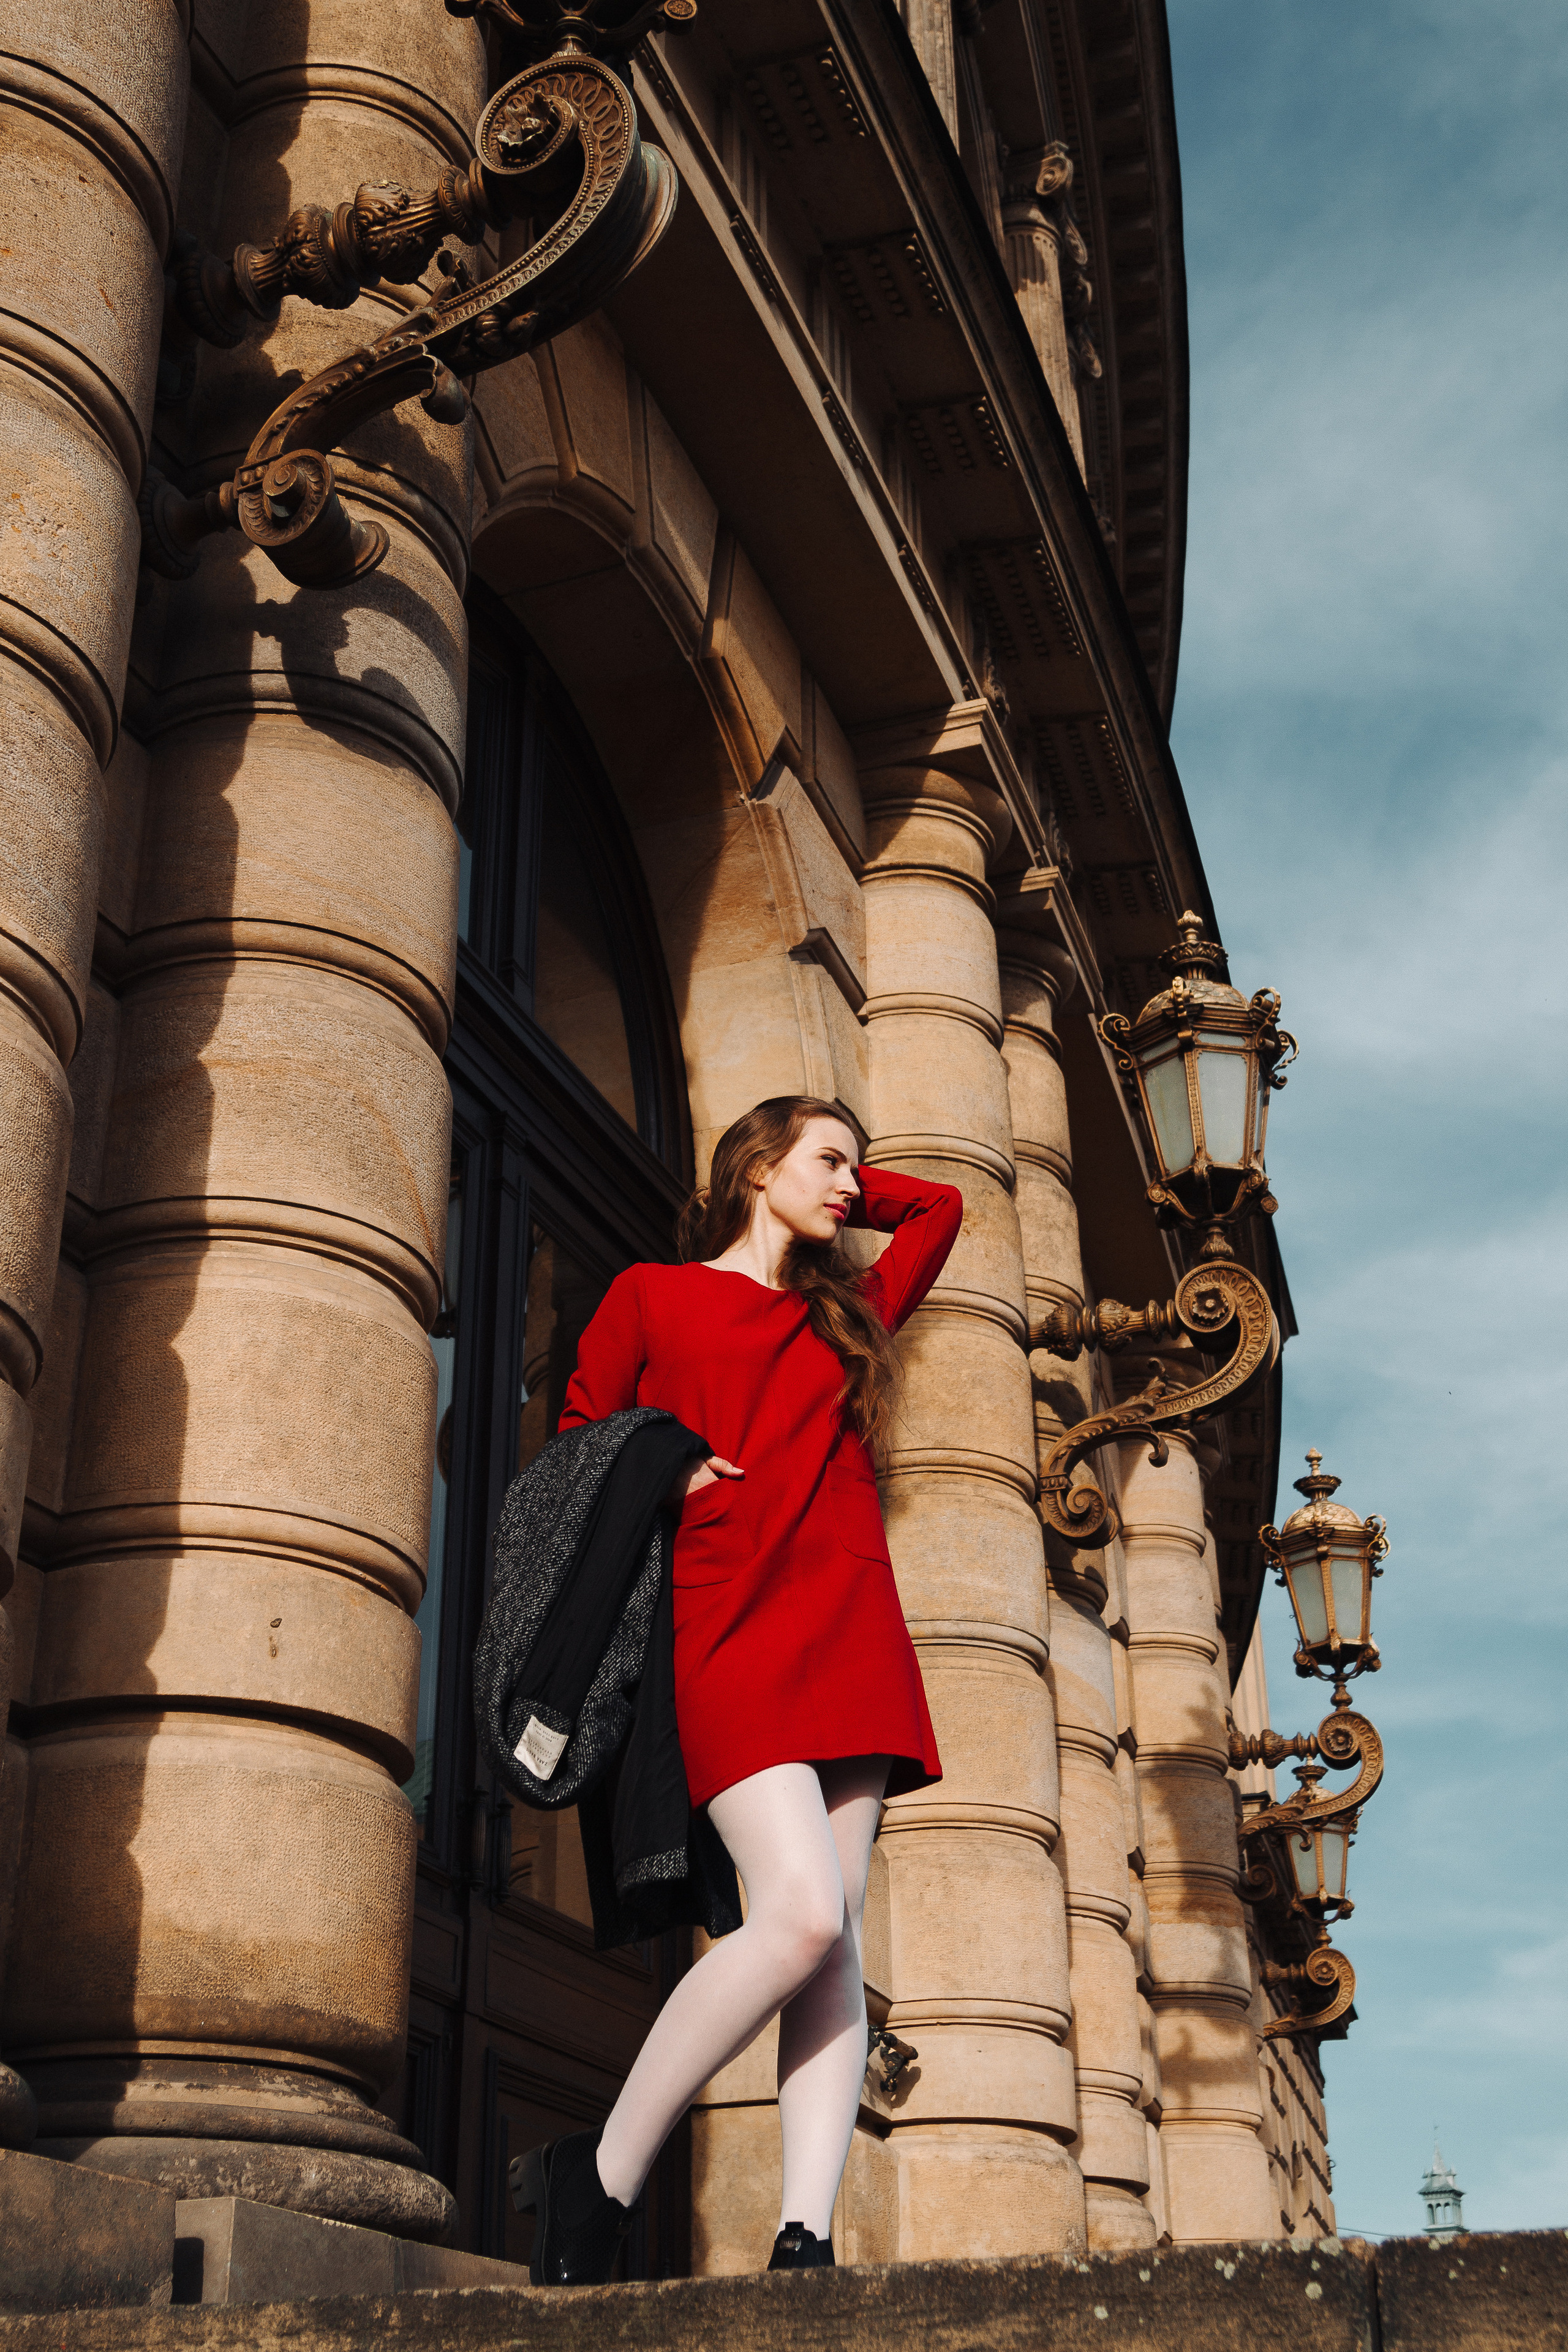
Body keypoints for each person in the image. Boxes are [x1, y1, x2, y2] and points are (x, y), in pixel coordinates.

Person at [514, 1095, 962, 2282]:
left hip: (850, 1627)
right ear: (754, 1167)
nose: (851, 1188)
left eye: (858, 1173)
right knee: (799, 1912)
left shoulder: (847, 1315)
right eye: (825, 1163)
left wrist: (864, 1176)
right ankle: (599, 2173)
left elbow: (946, 1209)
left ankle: (802, 2234)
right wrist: (665, 1467)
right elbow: (575, 1442)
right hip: (723, 1623)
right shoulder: (650, 1297)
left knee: (830, 1940)